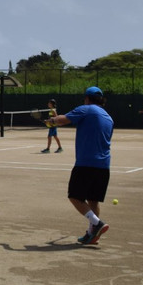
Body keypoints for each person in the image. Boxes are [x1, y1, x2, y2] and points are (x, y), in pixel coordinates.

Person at [45, 86, 113, 245]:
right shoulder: (109, 117)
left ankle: (97, 224)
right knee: (93, 200)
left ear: (87, 98)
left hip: (86, 163)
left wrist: (52, 121)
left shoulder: (86, 109)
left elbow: (62, 120)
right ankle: (92, 234)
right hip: (104, 165)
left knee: (74, 196)